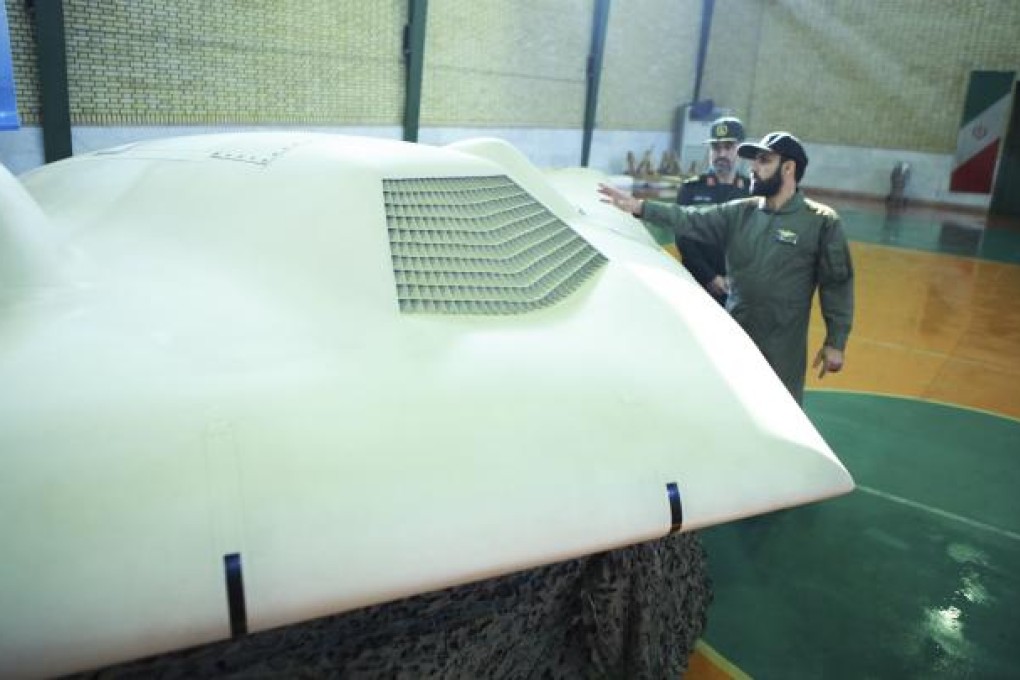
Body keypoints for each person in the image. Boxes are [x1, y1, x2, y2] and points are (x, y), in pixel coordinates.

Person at [598, 131, 854, 404]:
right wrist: (641, 207)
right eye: (754, 161)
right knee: (729, 405)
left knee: (778, 409)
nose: (753, 168)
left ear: (788, 168)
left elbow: (837, 283)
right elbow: (691, 218)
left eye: (764, 161)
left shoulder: (820, 222)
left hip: (783, 347)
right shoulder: (741, 212)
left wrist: (835, 342)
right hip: (736, 336)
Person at [676, 116, 750, 306]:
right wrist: (710, 277)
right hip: (698, 284)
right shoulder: (691, 189)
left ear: (740, 150)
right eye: (716, 148)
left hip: (739, 287)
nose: (721, 153)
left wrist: (736, 278)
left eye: (728, 147)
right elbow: (684, 240)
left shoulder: (751, 192)